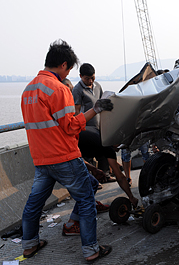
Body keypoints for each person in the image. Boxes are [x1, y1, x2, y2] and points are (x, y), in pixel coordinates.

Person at [21, 40, 113, 262]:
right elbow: (70, 126)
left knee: (34, 205)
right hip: (64, 158)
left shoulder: (28, 90)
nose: (68, 73)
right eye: (69, 69)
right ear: (63, 65)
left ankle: (29, 245)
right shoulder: (58, 89)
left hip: (42, 160)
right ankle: (91, 250)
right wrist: (96, 109)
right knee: (86, 200)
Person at [72, 63, 139, 207]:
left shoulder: (97, 86)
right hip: (79, 133)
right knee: (87, 182)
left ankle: (88, 204)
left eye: (92, 78)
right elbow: (120, 178)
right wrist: (132, 198)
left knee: (90, 178)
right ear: (80, 77)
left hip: (85, 137)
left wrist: (94, 169)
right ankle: (79, 217)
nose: (90, 81)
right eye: (87, 78)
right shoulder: (77, 90)